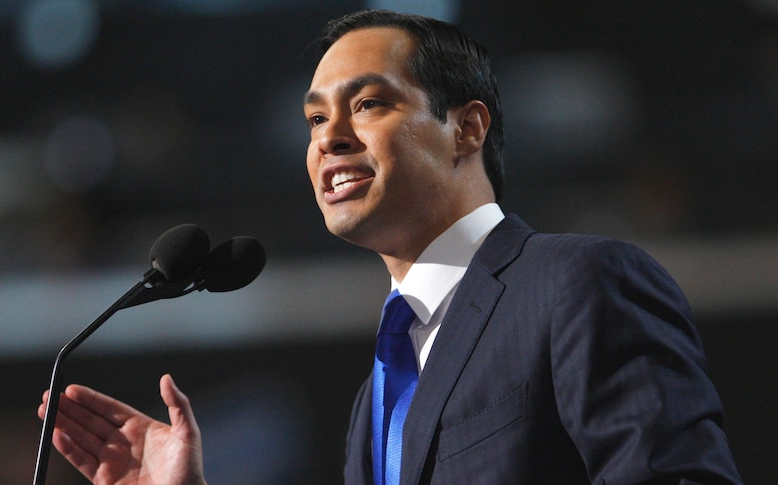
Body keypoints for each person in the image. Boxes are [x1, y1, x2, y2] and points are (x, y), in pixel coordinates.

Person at [38, 9, 742, 484]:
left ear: (466, 128)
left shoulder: (575, 283)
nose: (328, 137)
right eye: (315, 117)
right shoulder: (375, 400)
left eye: (369, 104)